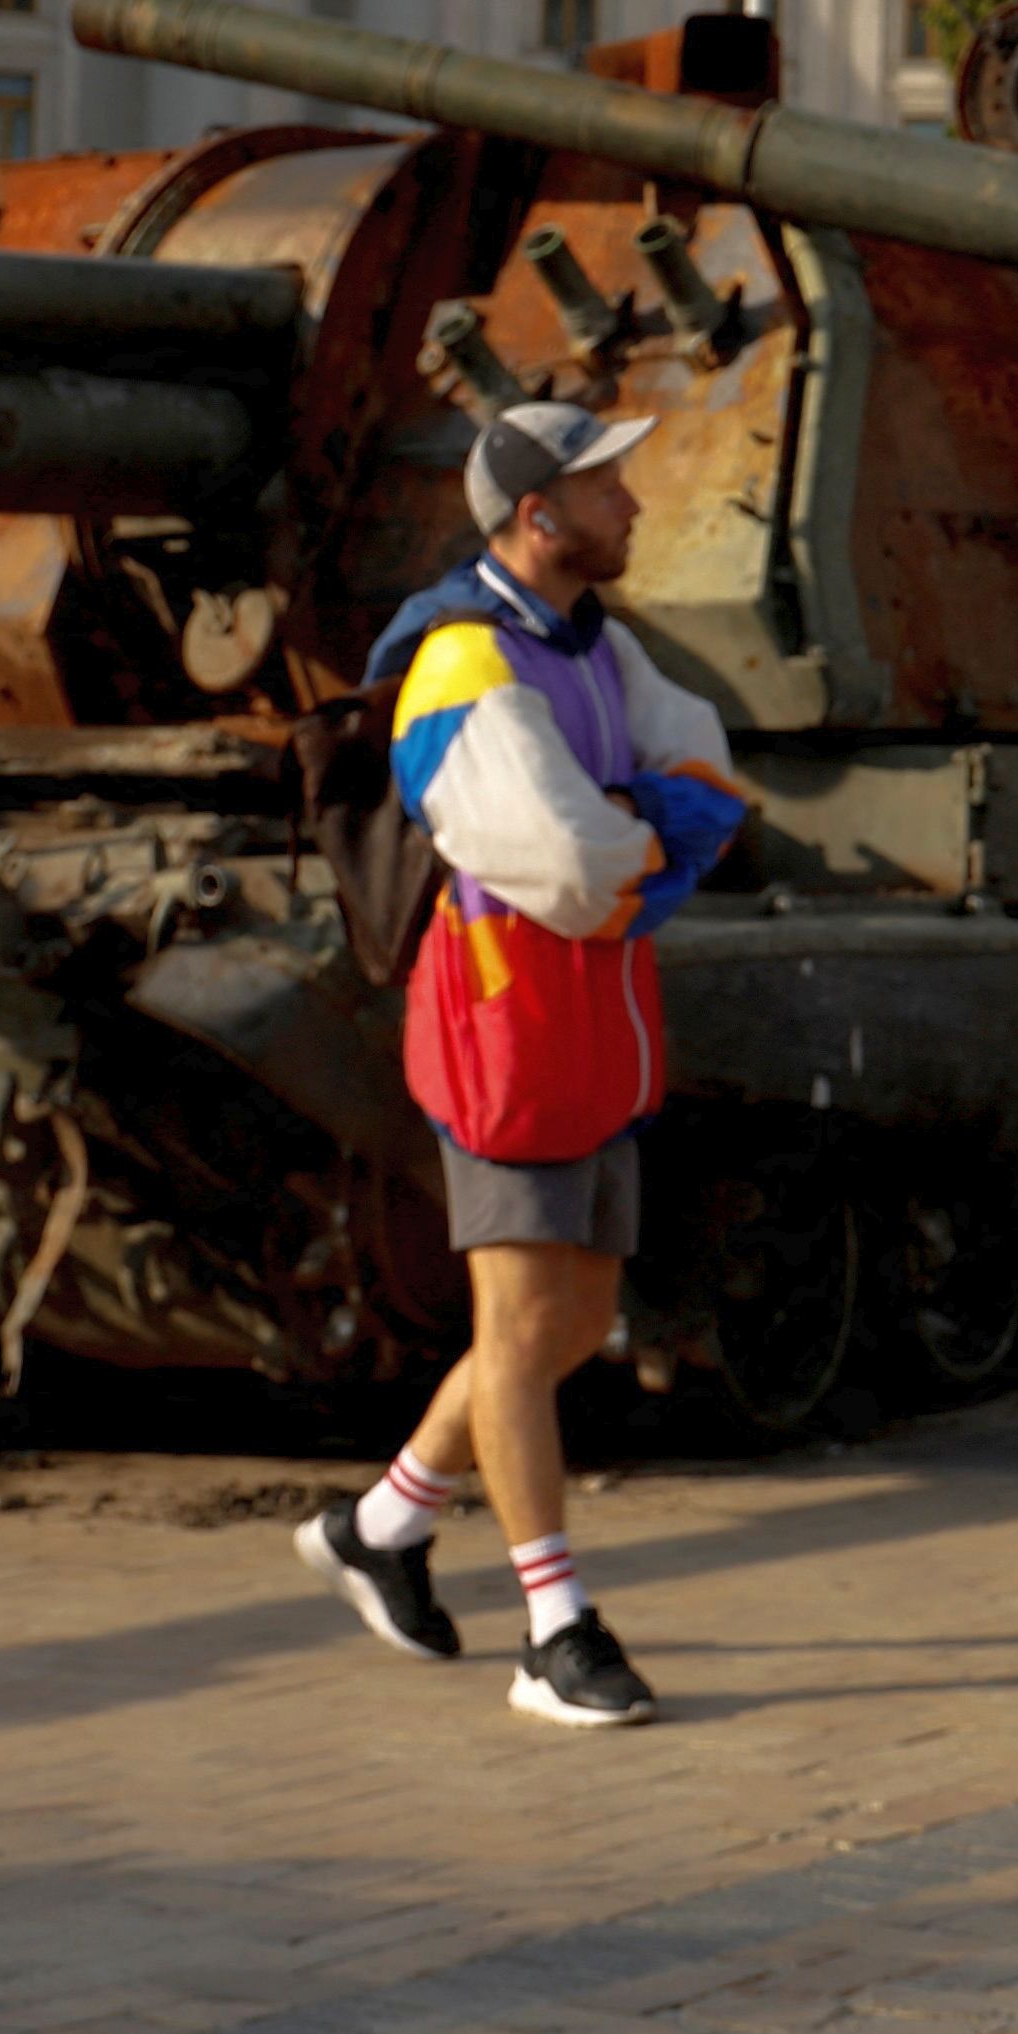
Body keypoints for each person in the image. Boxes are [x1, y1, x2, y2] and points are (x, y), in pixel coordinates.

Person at [296, 397, 746, 1731]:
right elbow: (558, 858)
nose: (635, 505)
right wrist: (635, 842)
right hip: (504, 1029)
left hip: (593, 1023)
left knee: (564, 1324)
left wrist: (629, 837)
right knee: (516, 1326)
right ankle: (555, 1629)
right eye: (607, 488)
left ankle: (383, 1526)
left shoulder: (595, 644)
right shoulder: (459, 661)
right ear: (537, 515)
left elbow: (707, 776)